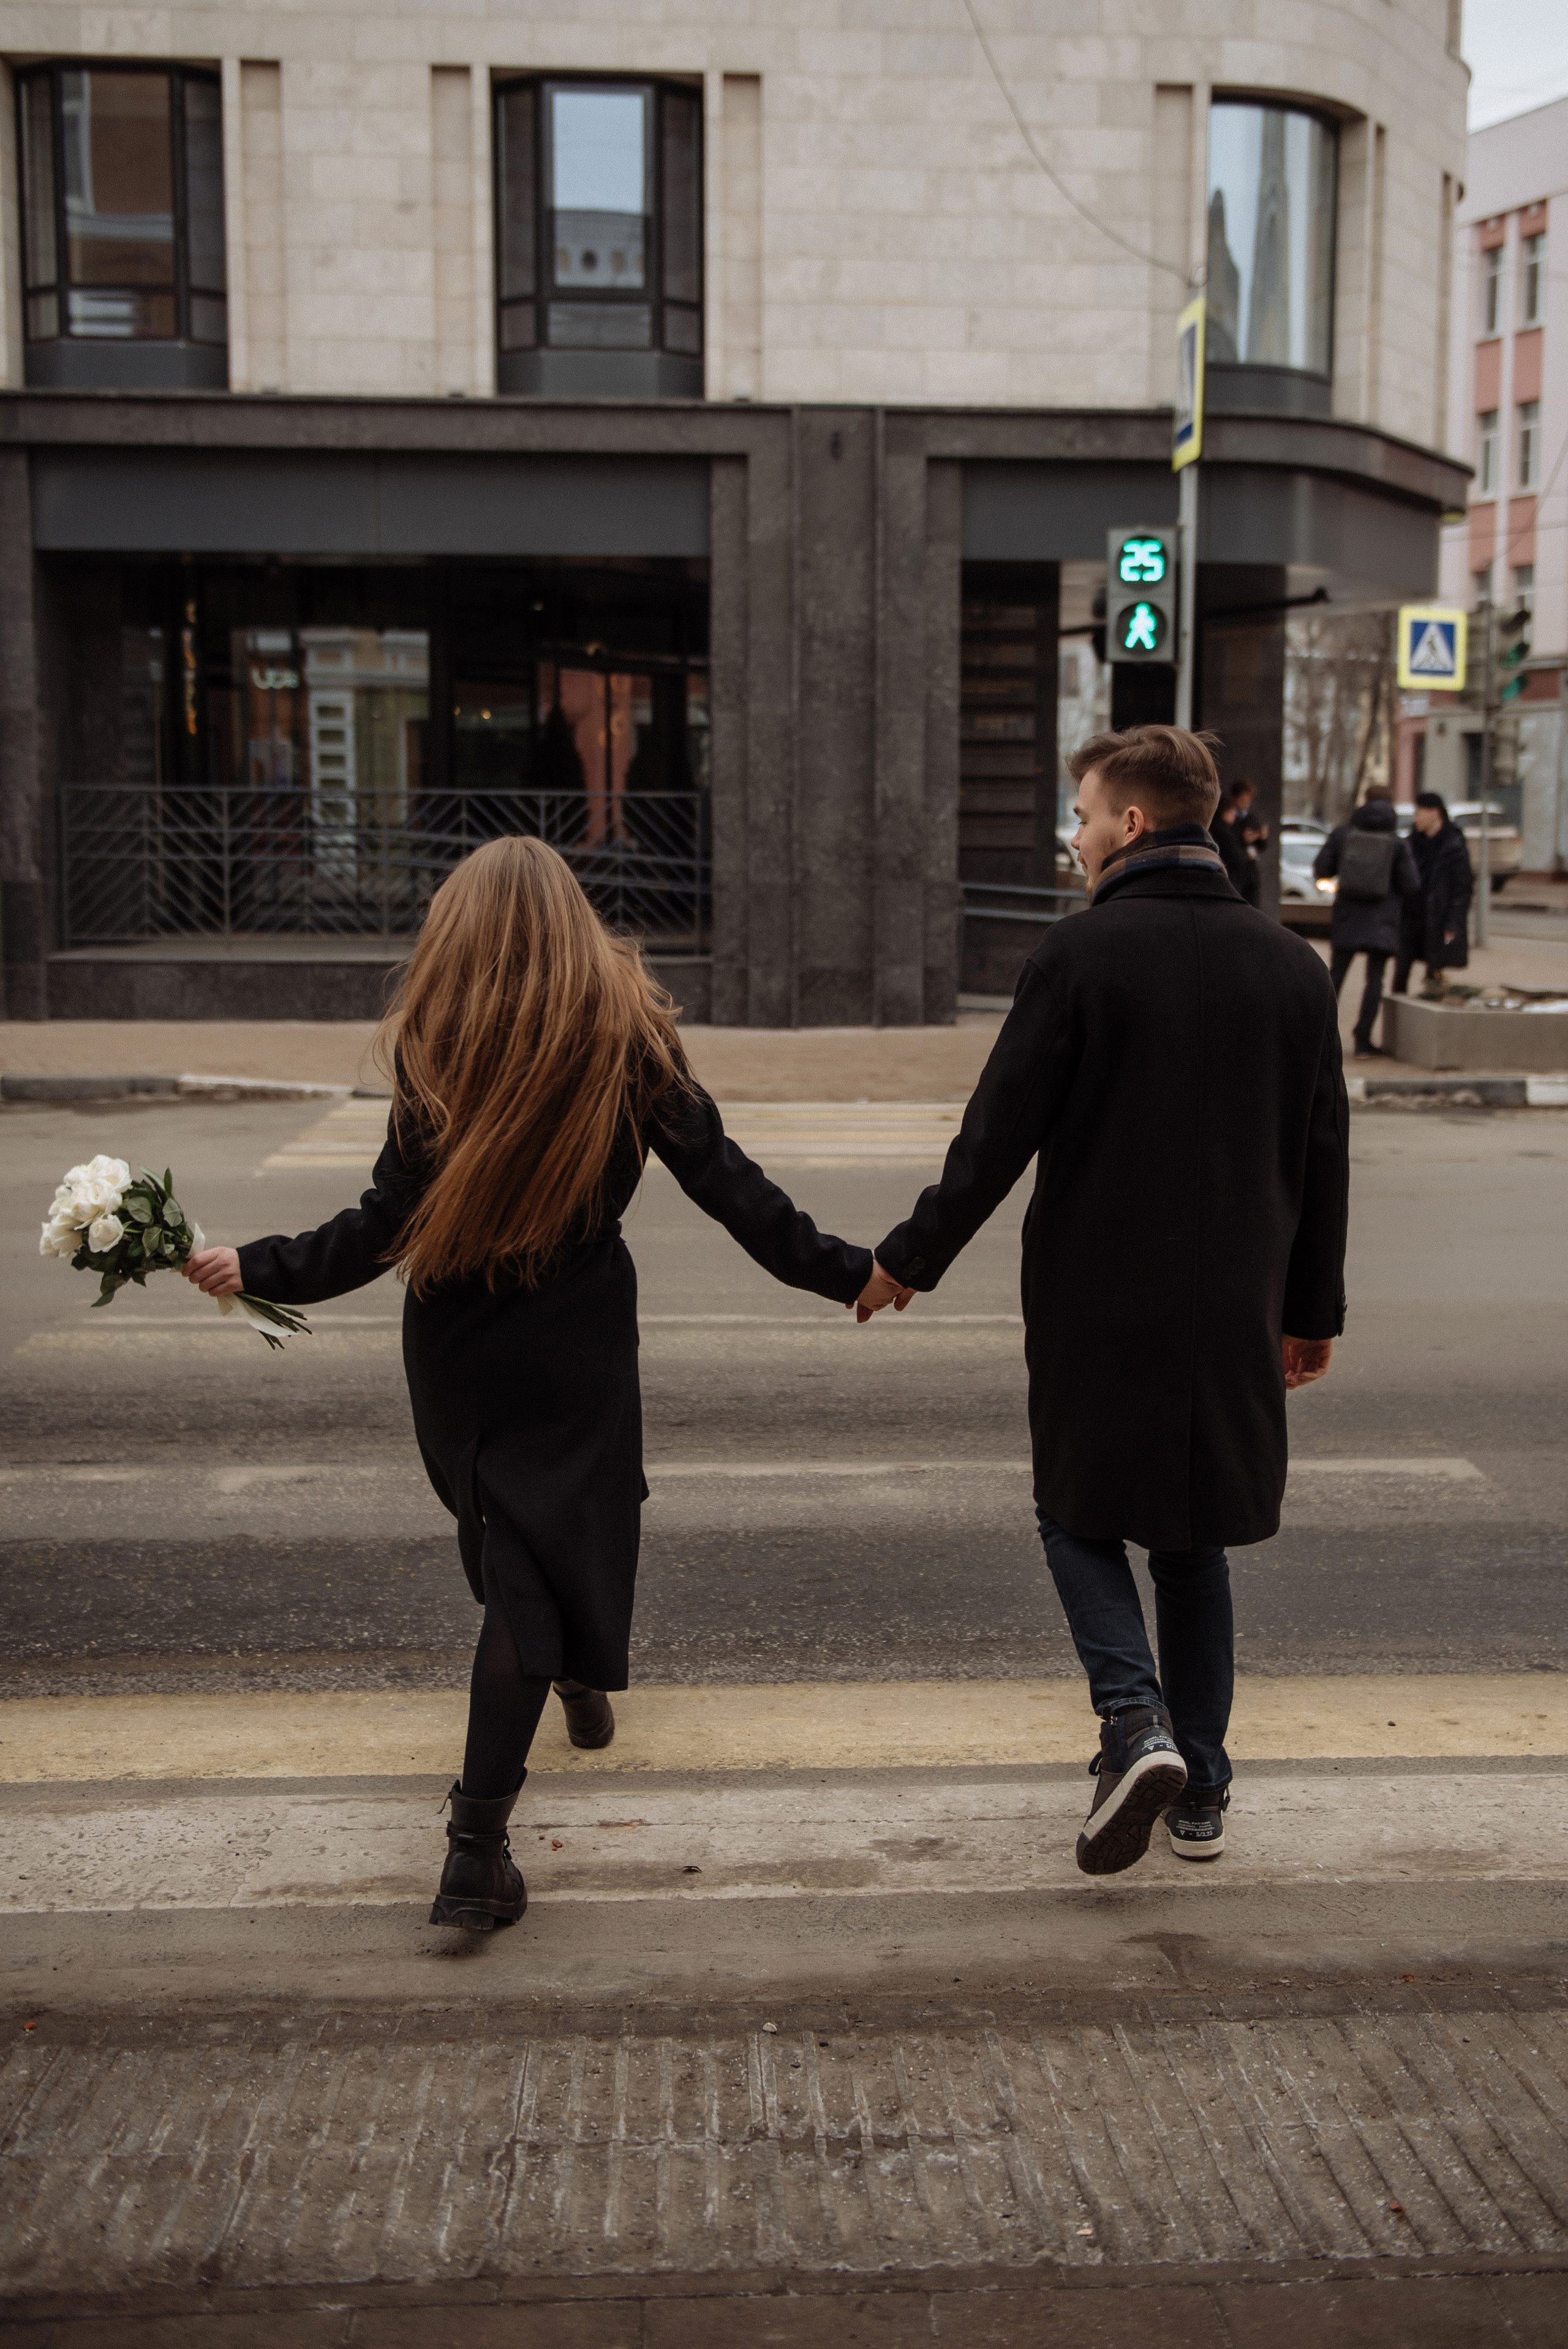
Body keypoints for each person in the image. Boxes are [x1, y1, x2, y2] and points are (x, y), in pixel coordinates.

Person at [183, 837, 876, 1932]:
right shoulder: (628, 1039)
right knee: (533, 1558)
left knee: (512, 1548)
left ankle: (493, 1819)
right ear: (574, 925)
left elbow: (380, 1228)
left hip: (457, 1344)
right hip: (575, 1340)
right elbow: (733, 1187)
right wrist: (853, 1273)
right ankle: (493, 1809)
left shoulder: (436, 1045)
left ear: (455, 935)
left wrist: (256, 1264)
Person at [858, 727, 1347, 1874]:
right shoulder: (1292, 968)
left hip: (1094, 1295)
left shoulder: (1077, 958)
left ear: (1133, 822)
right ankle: (1204, 1790)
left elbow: (995, 1138)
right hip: (1235, 1300)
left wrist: (904, 1260)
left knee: (1075, 1512)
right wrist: (1312, 1310)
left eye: (1082, 815)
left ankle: (1135, 1721)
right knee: (1193, 1539)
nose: (1072, 837)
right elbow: (1323, 1153)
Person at [1313, 787, 1421, 1058]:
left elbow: (1322, 869)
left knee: (1335, 976)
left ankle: (1316, 1037)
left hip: (1347, 916)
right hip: (1383, 921)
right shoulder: (1397, 843)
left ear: (1364, 802)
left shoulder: (1342, 834)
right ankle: (1362, 1041)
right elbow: (1411, 884)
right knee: (1375, 980)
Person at [1394, 790, 1472, 997]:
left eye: (1419, 813)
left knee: (1433, 973)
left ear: (1434, 813)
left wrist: (1454, 922)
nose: (1415, 819)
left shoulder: (1453, 844)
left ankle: (1429, 1010)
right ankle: (1396, 1018)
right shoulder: (1411, 843)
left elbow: (1462, 888)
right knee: (1400, 971)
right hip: (1410, 918)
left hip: (1437, 919)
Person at [1209, 790, 1256, 904]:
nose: (1234, 815)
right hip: (1231, 880)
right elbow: (1236, 856)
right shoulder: (1223, 831)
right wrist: (1248, 855)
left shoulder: (1225, 828)